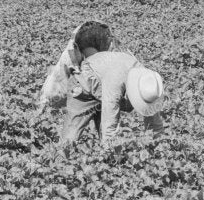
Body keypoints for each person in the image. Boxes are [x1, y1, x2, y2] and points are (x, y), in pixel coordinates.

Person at [38, 21, 168, 150]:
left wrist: (159, 147)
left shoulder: (148, 83)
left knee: (103, 129)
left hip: (102, 81)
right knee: (71, 137)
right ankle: (60, 158)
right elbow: (110, 117)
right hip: (83, 84)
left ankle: (104, 153)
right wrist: (111, 151)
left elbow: (155, 122)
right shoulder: (116, 82)